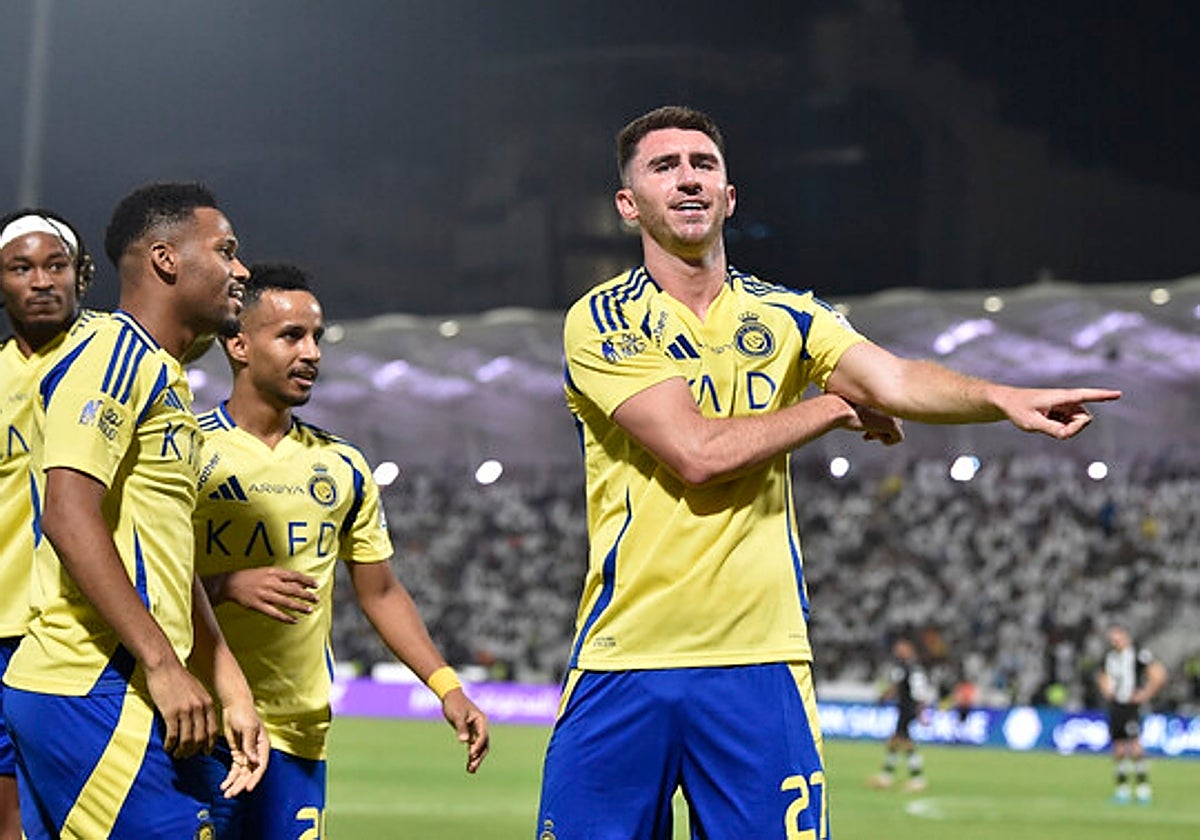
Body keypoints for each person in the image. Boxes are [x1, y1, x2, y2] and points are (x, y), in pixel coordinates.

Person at [536, 105, 1121, 838]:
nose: (688, 178)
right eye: (664, 166)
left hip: (761, 663)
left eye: (703, 165)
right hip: (625, 660)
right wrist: (830, 409)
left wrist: (999, 398)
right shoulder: (604, 319)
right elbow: (697, 455)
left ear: (729, 196)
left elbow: (896, 380)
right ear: (629, 205)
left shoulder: (788, 315)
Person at [2, 182, 268, 839]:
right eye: (225, 250)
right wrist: (160, 662)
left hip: (116, 687)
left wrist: (229, 686)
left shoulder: (162, 374)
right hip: (94, 685)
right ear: (166, 259)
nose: (241, 270)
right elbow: (66, 512)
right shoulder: (113, 356)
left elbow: (171, 560)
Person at [192, 262, 489, 838]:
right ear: (238, 343)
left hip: (299, 736)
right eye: (290, 336)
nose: (311, 353)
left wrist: (447, 686)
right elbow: (140, 578)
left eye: (316, 337)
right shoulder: (189, 450)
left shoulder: (343, 466)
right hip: (203, 725)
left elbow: (379, 591)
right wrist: (224, 584)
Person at [0, 209, 95, 840]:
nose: (41, 280)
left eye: (55, 265)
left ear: (81, 277)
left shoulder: (114, 360)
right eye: (21, 268)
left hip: (87, 636)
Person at [1096, 624, 1167, 804]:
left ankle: (1143, 788)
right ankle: (1122, 789)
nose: (1114, 642)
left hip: (1131, 706)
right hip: (1116, 706)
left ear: (1125, 637)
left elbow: (1158, 674)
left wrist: (1146, 694)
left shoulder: (1138, 655)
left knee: (1135, 745)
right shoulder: (1109, 657)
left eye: (1117, 638)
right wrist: (1107, 691)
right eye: (1112, 639)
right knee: (1118, 746)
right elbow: (1102, 676)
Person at [870, 638, 933, 792]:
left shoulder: (912, 670)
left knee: (903, 742)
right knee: (897, 742)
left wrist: (921, 712)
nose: (898, 651)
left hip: (908, 708)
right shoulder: (905, 668)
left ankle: (916, 778)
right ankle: (887, 776)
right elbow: (897, 688)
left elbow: (918, 692)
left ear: (909, 649)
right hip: (904, 708)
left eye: (901, 648)